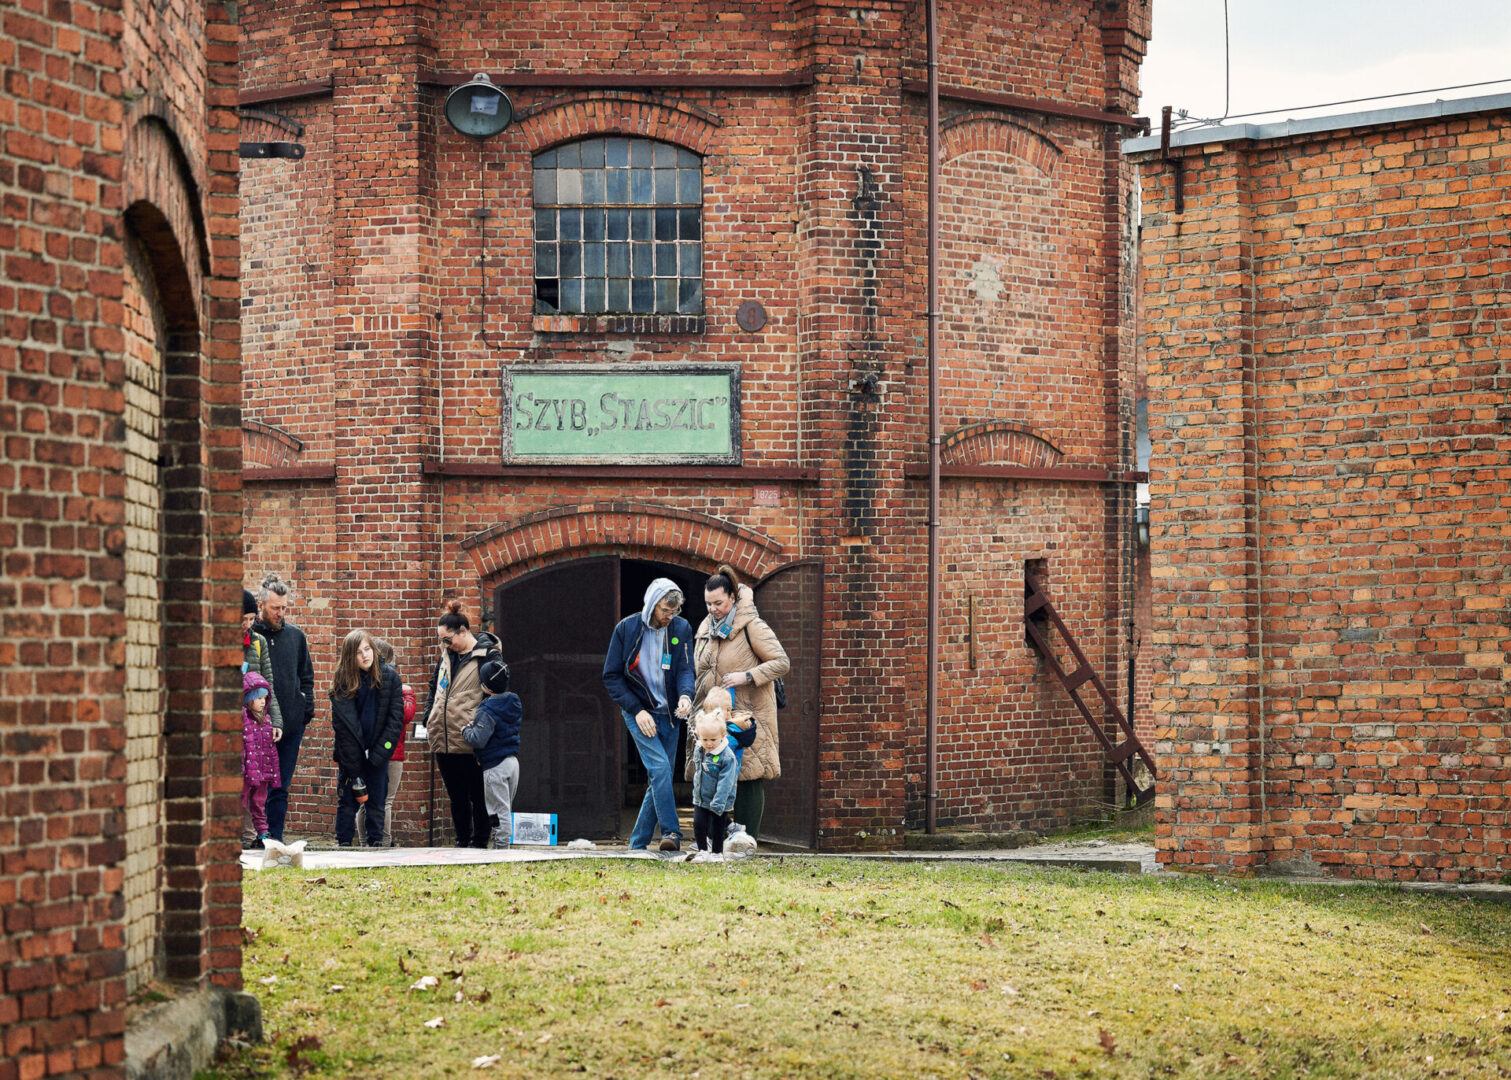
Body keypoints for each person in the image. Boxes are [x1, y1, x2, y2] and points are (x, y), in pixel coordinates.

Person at [693, 564, 789, 842]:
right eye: (708, 603)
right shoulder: (704, 628)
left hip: (745, 714)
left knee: (748, 775)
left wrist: (746, 676)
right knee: (712, 775)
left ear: (733, 598)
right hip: (713, 717)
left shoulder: (752, 626)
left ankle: (748, 842)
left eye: (718, 603)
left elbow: (782, 662)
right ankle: (717, 841)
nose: (712, 609)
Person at [603, 579, 695, 852]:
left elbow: (685, 669)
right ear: (653, 604)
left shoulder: (681, 629)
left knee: (659, 777)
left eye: (674, 612)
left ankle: (637, 844)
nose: (669, 617)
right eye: (665, 610)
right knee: (661, 770)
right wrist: (637, 710)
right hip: (639, 712)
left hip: (670, 714)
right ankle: (672, 832)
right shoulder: (626, 629)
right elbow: (612, 676)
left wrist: (686, 695)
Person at [421, 599, 505, 848]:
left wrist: (479, 727)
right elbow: (433, 686)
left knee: (478, 795)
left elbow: (497, 693)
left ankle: (479, 841)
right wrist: (429, 716)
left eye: (447, 639)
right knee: (456, 795)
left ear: (463, 631)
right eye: (441, 640)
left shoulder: (487, 655)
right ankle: (461, 839)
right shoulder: (447, 655)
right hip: (444, 736)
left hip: (471, 740)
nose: (444, 644)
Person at [329, 629, 404, 848]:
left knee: (377, 802)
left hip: (379, 751)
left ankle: (376, 844)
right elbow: (342, 729)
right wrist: (354, 763)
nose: (365, 655)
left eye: (367, 649)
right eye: (358, 652)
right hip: (351, 755)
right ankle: (343, 844)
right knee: (347, 802)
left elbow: (395, 720)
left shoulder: (390, 677)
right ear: (350, 656)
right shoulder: (342, 681)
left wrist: (380, 753)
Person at [254, 573, 315, 842]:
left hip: (291, 725)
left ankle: (274, 840)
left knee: (280, 786)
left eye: (284, 608)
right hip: (257, 725)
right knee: (256, 784)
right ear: (261, 606)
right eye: (275, 608)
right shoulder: (252, 636)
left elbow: (306, 677)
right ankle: (257, 836)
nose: (281, 613)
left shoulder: (296, 637)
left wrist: (305, 712)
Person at [355, 637, 411, 847]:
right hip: (391, 752)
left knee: (369, 801)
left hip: (382, 751)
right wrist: (402, 694)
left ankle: (368, 841)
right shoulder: (393, 687)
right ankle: (381, 841)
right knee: (382, 801)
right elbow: (405, 714)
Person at [462, 662, 522, 848]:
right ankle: (502, 845)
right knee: (505, 808)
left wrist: (466, 730)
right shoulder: (513, 702)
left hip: (495, 766)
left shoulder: (486, 710)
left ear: (485, 685)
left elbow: (478, 740)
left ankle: (501, 848)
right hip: (512, 763)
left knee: (497, 811)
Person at [241, 589, 282, 848]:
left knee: (255, 783)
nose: (247, 624)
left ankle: (252, 835)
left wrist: (275, 720)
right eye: (242, 619)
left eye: (250, 619)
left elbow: (269, 684)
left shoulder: (258, 642)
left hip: (255, 722)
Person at [689, 706, 739, 857]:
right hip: (701, 798)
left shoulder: (727, 757)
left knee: (717, 828)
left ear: (723, 735)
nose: (709, 743)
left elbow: (726, 783)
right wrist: (697, 794)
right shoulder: (700, 749)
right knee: (698, 824)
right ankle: (702, 851)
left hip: (720, 801)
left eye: (713, 739)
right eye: (704, 739)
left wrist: (717, 803)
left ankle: (717, 853)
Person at [241, 671, 280, 850]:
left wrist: (271, 770)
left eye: (265, 698)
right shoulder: (243, 718)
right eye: (259, 698)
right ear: (248, 699)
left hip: (262, 771)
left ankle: (263, 833)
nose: (263, 702)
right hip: (247, 769)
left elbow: (270, 749)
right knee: (241, 801)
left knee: (259, 802)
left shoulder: (267, 720)